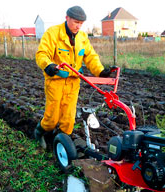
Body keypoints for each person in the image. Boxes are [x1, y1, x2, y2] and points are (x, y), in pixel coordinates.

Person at [34, 5, 112, 149]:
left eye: (81, 23)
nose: (78, 26)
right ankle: (39, 132)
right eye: (76, 22)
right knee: (52, 118)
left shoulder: (82, 37)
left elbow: (90, 56)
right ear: (67, 18)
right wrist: (48, 65)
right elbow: (42, 54)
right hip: (55, 81)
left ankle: (61, 143)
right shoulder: (53, 33)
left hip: (73, 83)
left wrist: (100, 71)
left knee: (68, 120)